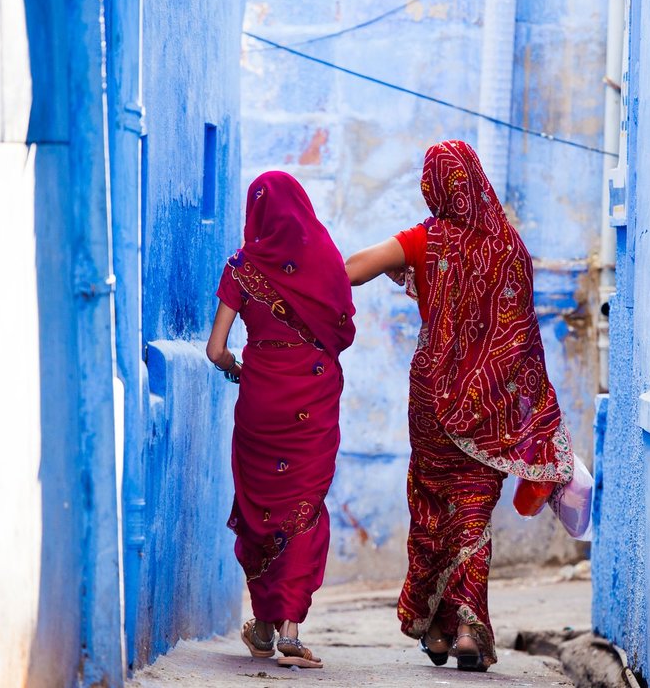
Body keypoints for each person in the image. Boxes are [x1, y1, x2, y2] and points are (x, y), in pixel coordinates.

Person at [344, 140, 574, 672]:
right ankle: (469, 626)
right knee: (473, 512)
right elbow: (518, 334)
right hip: (490, 402)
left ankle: (436, 631)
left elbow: (351, 269)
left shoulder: (426, 240)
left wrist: (397, 268)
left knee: (432, 506)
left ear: (433, 185)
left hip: (431, 397)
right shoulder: (510, 247)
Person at [206, 171, 355, 669]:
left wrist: (239, 371)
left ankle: (265, 625)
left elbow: (216, 350)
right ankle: (288, 630)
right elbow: (343, 331)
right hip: (311, 395)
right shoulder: (327, 260)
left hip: (260, 398)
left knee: (260, 509)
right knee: (304, 504)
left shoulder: (241, 266)